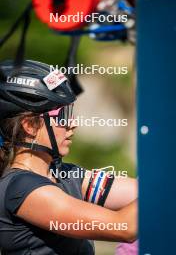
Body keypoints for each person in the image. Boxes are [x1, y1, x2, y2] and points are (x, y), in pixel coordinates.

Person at [0, 60, 137, 255]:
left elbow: (144, 192)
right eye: (63, 115)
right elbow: (123, 228)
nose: (72, 124)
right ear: (29, 126)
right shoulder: (22, 188)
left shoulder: (65, 175)